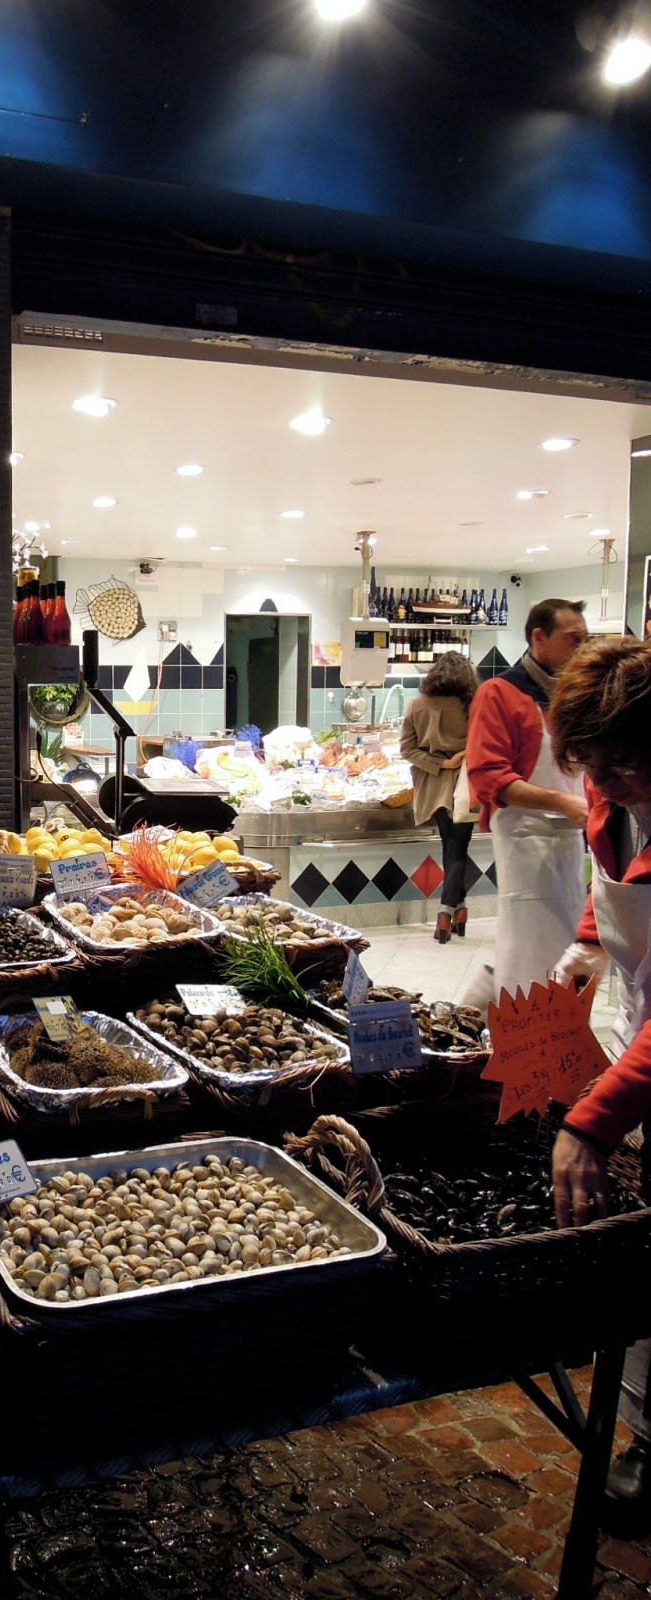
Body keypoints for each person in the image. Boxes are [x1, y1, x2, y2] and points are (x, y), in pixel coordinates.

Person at [545, 636, 651, 1537]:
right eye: (590, 766)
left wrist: (596, 1119)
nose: (603, 782)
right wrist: (586, 940)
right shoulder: (608, 789)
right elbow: (611, 870)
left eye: (622, 763)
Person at [463, 598, 589, 1006]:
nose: (580, 649)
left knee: (562, 946)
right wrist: (563, 802)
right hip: (524, 836)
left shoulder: (570, 697)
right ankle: (516, 1045)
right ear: (538, 637)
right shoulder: (499, 692)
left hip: (569, 839)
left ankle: (489, 1029)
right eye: (573, 640)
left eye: (584, 641)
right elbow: (488, 777)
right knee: (529, 948)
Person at [399, 650, 479, 943]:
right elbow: (488, 742)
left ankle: (457, 908)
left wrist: (439, 763)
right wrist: (461, 757)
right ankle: (449, 912)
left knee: (450, 845)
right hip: (466, 786)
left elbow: (407, 750)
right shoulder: (473, 707)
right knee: (458, 847)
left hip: (433, 786)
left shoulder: (416, 705)